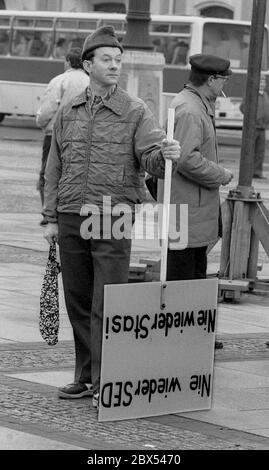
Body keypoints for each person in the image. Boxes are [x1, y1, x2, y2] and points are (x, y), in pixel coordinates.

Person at [42, 26, 180, 410]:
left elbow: (149, 158)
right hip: (71, 213)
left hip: (113, 215)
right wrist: (50, 217)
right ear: (88, 64)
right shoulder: (68, 111)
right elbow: (54, 167)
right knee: (78, 300)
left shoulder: (135, 110)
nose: (115, 65)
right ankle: (85, 376)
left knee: (109, 300)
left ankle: (108, 380)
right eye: (107, 59)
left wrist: (165, 154)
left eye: (118, 60)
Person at [166, 54, 234, 348]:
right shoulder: (191, 110)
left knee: (194, 271)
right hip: (186, 209)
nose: (223, 87)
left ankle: (194, 330)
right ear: (211, 80)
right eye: (223, 81)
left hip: (192, 208)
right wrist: (221, 174)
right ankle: (182, 333)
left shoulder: (193, 104)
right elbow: (187, 159)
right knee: (183, 274)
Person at [36, 47, 89, 225]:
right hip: (84, 134)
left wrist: (43, 124)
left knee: (49, 172)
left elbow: (47, 109)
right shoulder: (92, 81)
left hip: (56, 133)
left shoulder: (60, 80)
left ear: (67, 61)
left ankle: (49, 213)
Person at [240, 73, 269, 179]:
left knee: (260, 152)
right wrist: (252, 118)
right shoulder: (251, 94)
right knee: (250, 151)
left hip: (262, 128)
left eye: (263, 82)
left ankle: (257, 172)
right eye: (260, 82)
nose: (262, 84)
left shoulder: (265, 95)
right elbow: (243, 107)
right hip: (252, 127)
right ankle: (248, 173)